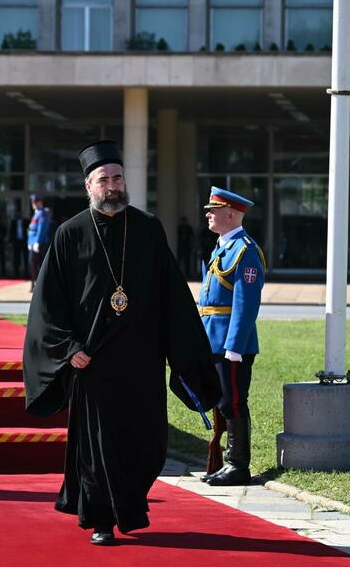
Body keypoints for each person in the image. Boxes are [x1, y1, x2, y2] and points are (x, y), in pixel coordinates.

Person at [22, 140, 220, 546]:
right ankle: (102, 519)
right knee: (98, 448)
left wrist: (189, 358)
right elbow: (47, 305)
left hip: (142, 360)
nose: (111, 186)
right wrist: (68, 348)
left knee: (146, 444)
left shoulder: (147, 228)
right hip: (93, 364)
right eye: (103, 180)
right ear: (88, 186)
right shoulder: (69, 235)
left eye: (117, 178)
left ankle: (130, 501)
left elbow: (173, 297)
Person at [198, 186, 265, 487]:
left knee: (234, 402)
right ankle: (224, 461)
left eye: (213, 210)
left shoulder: (245, 250)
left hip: (230, 344)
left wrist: (235, 346)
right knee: (222, 401)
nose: (208, 214)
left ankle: (238, 465)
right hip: (214, 339)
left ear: (230, 214)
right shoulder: (222, 247)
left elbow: (245, 302)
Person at [27, 194, 51, 289]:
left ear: (40, 202)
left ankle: (40, 284)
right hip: (33, 242)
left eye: (35, 202)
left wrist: (37, 242)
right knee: (32, 264)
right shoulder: (37, 213)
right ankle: (35, 283)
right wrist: (30, 242)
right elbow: (32, 229)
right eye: (32, 202)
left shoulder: (42, 213)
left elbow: (42, 229)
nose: (33, 204)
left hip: (39, 242)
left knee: (38, 264)